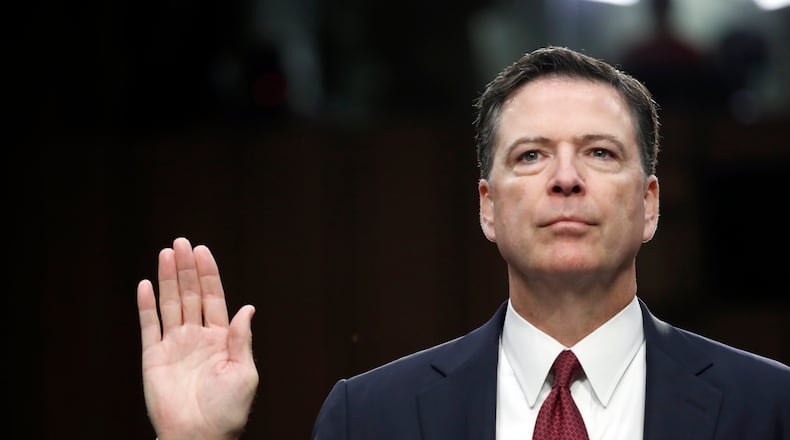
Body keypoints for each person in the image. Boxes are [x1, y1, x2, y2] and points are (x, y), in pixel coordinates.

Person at [136, 46, 790, 440]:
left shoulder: (770, 409)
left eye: (598, 152)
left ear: (648, 205)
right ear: (487, 208)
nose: (566, 179)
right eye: (532, 155)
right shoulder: (370, 419)